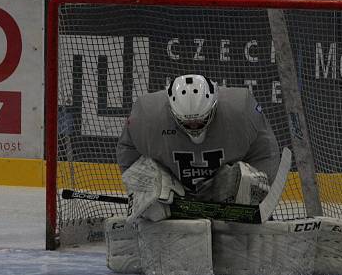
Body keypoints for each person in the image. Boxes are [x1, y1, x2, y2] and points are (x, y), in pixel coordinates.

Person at [116, 73, 280, 206]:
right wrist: (142, 188)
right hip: (173, 193)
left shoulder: (242, 111)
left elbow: (264, 152)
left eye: (200, 120)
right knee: (150, 185)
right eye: (186, 122)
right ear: (171, 112)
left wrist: (257, 190)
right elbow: (129, 154)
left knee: (247, 181)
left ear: (214, 106)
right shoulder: (146, 116)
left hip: (226, 194)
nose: (194, 126)